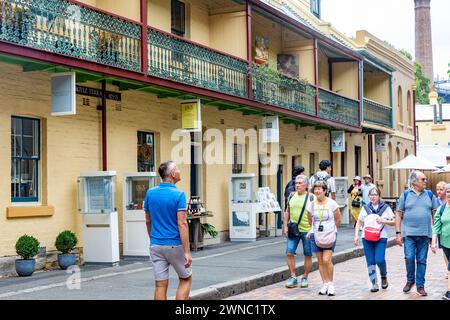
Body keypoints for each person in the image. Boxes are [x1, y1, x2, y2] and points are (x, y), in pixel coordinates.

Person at [144, 161, 192, 300]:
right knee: (185, 279)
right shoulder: (179, 194)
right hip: (175, 245)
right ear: (172, 174)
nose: (179, 170)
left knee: (160, 285)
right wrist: (187, 252)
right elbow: (182, 223)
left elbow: (148, 220)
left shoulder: (150, 193)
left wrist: (153, 238)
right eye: (177, 168)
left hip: (156, 244)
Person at [395, 170, 438, 296]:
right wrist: (398, 233)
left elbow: (436, 215)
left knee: (421, 260)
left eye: (425, 179)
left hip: (425, 234)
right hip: (408, 234)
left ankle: (420, 285)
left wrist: (434, 235)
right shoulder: (405, 195)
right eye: (423, 179)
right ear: (414, 182)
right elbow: (398, 213)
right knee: (409, 258)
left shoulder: (430, 195)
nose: (426, 181)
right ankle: (410, 280)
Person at [354, 186, 395, 292]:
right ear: (368, 196)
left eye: (375, 194)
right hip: (366, 237)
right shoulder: (365, 208)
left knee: (379, 259)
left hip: (381, 237)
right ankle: (374, 283)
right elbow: (359, 221)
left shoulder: (385, 208)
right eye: (371, 195)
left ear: (379, 196)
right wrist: (356, 236)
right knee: (370, 261)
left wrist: (383, 221)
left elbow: (394, 221)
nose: (373, 197)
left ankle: (383, 276)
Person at [306, 181, 341, 296]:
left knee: (327, 260)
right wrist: (312, 230)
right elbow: (310, 220)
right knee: (320, 261)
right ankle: (325, 283)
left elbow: (337, 220)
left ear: (325, 190)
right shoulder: (311, 204)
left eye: (319, 189)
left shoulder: (332, 204)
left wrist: (332, 230)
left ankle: (331, 284)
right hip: (316, 236)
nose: (317, 191)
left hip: (330, 234)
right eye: (315, 189)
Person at [283, 175, 314, 289]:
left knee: (308, 254)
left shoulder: (311, 197)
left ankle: (305, 277)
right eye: (296, 183)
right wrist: (285, 226)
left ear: (306, 185)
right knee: (289, 252)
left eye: (300, 183)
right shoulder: (291, 196)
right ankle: (293, 277)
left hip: (307, 230)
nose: (297, 185)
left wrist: (313, 228)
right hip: (293, 229)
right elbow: (287, 211)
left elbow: (315, 214)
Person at [431, 183, 450, 300]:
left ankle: (449, 292)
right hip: (445, 243)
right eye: (448, 191)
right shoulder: (441, 209)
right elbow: (436, 227)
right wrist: (433, 242)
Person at [435, 181, 449, 274]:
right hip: (442, 230)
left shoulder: (446, 200)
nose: (439, 191)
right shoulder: (436, 200)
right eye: (437, 189)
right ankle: (448, 269)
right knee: (445, 251)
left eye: (441, 189)